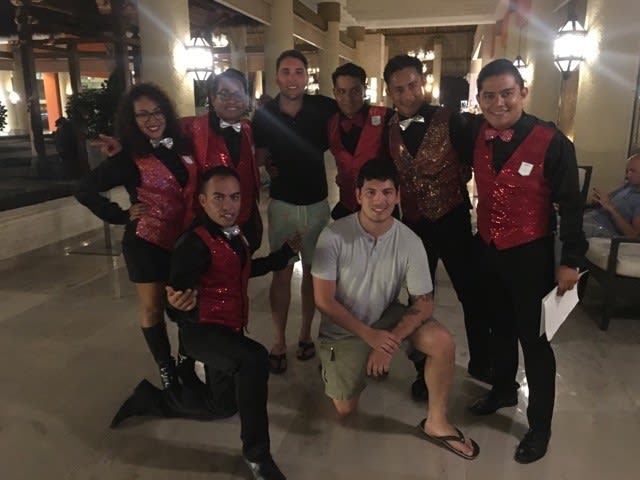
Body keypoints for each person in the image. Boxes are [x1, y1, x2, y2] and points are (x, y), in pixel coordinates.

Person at [312, 158, 479, 460]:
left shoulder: (409, 240)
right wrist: (370, 337)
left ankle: (437, 422)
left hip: (386, 314)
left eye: (387, 192)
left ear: (398, 195)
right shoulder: (334, 235)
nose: (380, 201)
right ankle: (333, 363)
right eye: (371, 192)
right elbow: (324, 301)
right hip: (344, 330)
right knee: (345, 409)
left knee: (442, 341)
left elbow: (424, 302)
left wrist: (388, 343)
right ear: (358, 194)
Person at [464, 59, 588, 463]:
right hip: (488, 249)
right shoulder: (476, 133)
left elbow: (571, 206)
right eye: (489, 96)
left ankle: (540, 426)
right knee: (498, 328)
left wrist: (571, 259)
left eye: (507, 93)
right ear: (479, 98)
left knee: (534, 341)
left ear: (523, 93)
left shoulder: (552, 142)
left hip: (531, 253)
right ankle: (503, 389)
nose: (498, 103)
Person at [144, 166, 296, 480]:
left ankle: (156, 400)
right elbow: (177, 298)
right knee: (253, 360)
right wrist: (176, 306)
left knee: (223, 406)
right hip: (202, 331)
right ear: (202, 201)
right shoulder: (192, 243)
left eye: (235, 197)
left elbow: (243, 270)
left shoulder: (235, 234)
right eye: (219, 198)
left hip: (228, 329)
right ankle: (257, 456)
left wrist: (284, 255)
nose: (228, 206)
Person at [75, 83, 198, 390]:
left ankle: (186, 362)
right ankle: (166, 369)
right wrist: (119, 215)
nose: (152, 119)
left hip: (183, 242)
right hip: (146, 243)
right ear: (132, 120)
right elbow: (84, 190)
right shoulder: (128, 158)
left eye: (157, 111)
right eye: (142, 114)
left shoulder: (183, 146)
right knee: (153, 307)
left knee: (186, 304)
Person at [383, 54, 492, 396]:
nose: (408, 95)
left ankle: (483, 362)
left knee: (471, 293)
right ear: (389, 93)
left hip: (453, 219)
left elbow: (485, 150)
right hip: (415, 228)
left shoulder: (451, 120)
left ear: (423, 82)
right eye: (399, 89)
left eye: (413, 85)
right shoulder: (388, 130)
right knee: (419, 301)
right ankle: (422, 369)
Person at [252, 49, 338, 373]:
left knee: (314, 275)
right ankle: (278, 341)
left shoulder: (322, 108)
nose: (292, 78)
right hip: (283, 205)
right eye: (286, 72)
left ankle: (304, 335)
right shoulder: (265, 114)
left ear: (306, 76)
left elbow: (348, 126)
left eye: (299, 71)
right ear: (276, 77)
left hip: (317, 204)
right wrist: (267, 170)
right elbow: (259, 156)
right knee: (282, 273)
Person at [182, 68, 263, 252]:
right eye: (224, 94)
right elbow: (158, 129)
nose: (232, 100)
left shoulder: (247, 129)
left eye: (238, 94)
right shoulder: (193, 128)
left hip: (245, 221)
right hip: (208, 226)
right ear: (212, 98)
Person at [327, 62, 393, 220]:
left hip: (381, 209)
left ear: (365, 89)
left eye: (355, 91)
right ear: (334, 92)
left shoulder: (386, 117)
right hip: (347, 207)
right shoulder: (331, 123)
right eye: (341, 91)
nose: (348, 98)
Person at [582, 153, 640, 238]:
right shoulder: (629, 186)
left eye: (632, 171)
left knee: (564, 230)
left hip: (602, 230)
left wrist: (611, 209)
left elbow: (634, 236)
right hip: (589, 219)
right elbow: (608, 199)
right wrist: (598, 200)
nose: (627, 175)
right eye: (627, 171)